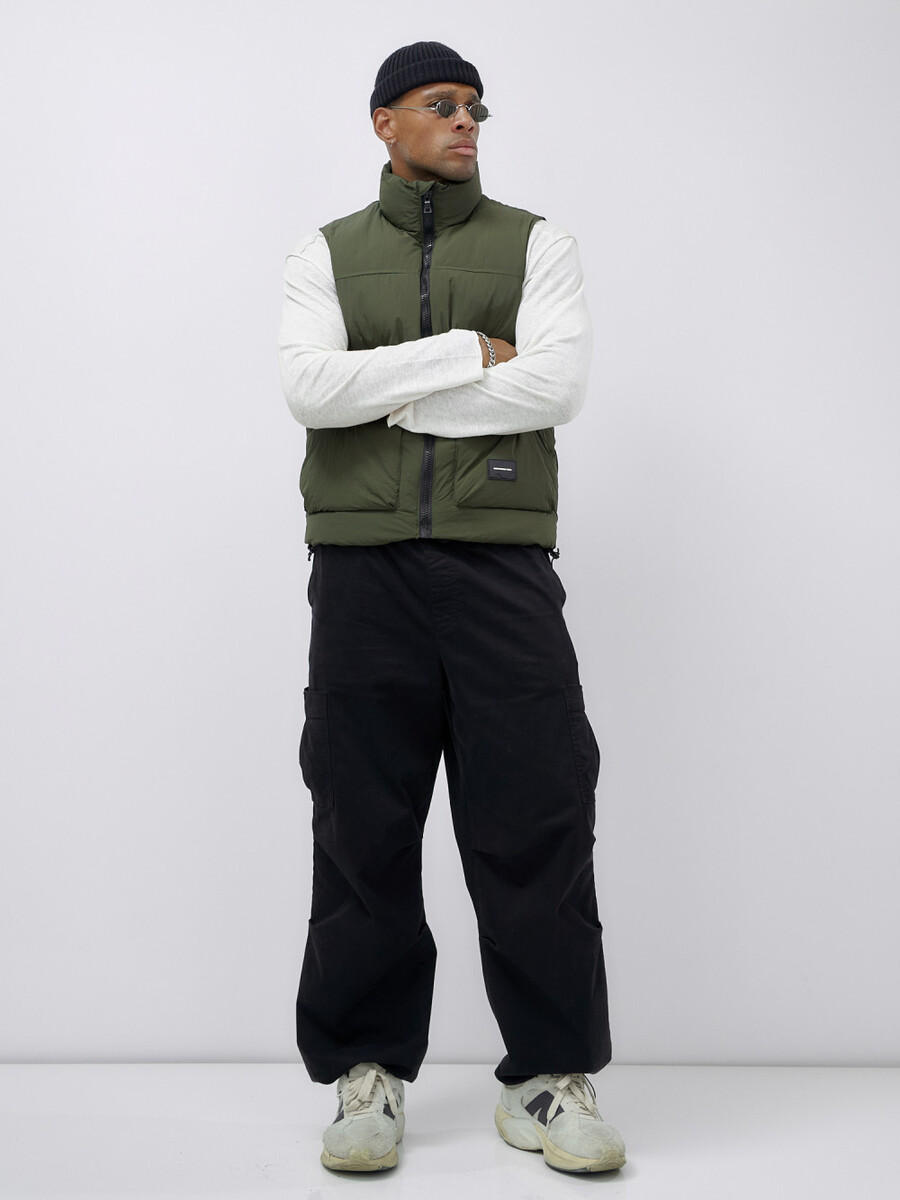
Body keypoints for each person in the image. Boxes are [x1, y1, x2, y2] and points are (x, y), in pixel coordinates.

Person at [278, 40, 626, 1176]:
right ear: (385, 122)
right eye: (442, 104)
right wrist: (464, 354)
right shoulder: (326, 253)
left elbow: (555, 384)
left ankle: (548, 1078)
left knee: (538, 815)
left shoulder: (537, 243)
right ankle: (366, 1074)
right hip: (363, 573)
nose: (467, 120)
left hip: (500, 568)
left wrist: (389, 400)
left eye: (477, 106)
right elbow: (308, 389)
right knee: (362, 825)